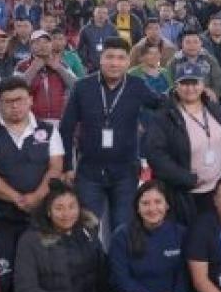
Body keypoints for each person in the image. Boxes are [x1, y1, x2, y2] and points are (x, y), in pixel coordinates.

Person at [59, 37, 164, 243]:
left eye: (120, 58)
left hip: (125, 171)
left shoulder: (137, 85)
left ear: (128, 62)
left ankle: (117, 272)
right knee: (88, 229)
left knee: (123, 229)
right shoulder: (83, 87)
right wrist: (67, 166)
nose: (115, 63)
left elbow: (161, 105)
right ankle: (91, 273)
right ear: (100, 59)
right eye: (109, 57)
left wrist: (192, 94)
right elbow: (66, 128)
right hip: (89, 170)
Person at [0, 76, 63, 246]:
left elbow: (56, 168)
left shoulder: (49, 130)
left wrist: (36, 197)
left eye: (19, 100)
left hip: (42, 213)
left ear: (30, 100)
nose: (14, 106)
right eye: (8, 101)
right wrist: (17, 199)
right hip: (1, 215)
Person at [147, 62, 221, 224]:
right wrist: (187, 178)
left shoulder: (213, 108)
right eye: (184, 83)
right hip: (186, 195)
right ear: (176, 86)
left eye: (194, 82)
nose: (190, 88)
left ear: (203, 85)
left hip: (216, 192)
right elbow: (156, 156)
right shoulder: (164, 116)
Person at [15, 30, 77, 125]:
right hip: (31, 121)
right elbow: (15, 90)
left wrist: (59, 69)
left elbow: (76, 86)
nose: (42, 45)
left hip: (59, 120)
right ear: (31, 46)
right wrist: (33, 69)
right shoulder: (22, 66)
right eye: (37, 42)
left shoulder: (61, 64)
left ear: (51, 45)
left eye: (46, 42)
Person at [167, 27, 221, 101]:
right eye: (188, 42)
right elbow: (171, 84)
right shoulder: (174, 62)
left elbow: (219, 83)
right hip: (181, 98)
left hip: (206, 98)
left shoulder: (210, 60)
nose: (192, 45)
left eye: (195, 42)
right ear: (182, 44)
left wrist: (213, 93)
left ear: (201, 43)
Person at [76, 6, 119, 73]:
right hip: (92, 68)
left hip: (108, 66)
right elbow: (80, 48)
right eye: (99, 12)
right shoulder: (85, 30)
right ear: (94, 14)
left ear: (107, 15)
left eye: (104, 13)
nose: (101, 15)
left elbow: (117, 47)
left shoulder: (112, 29)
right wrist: (86, 63)